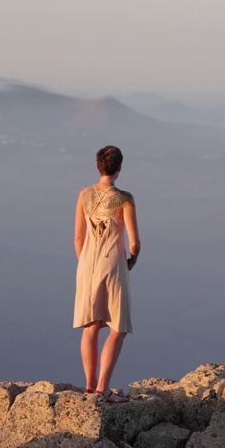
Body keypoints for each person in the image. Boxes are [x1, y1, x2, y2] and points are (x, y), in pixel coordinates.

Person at [74, 145, 140, 403]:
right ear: (120, 168)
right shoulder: (124, 199)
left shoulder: (83, 195)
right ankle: (103, 389)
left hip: (87, 263)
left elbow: (79, 237)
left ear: (97, 166)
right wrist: (131, 261)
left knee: (91, 325)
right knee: (117, 327)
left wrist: (87, 263)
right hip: (113, 264)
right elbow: (134, 242)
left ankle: (89, 387)